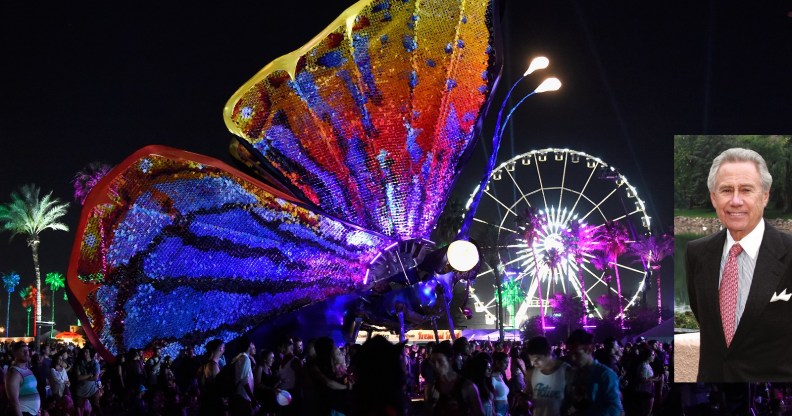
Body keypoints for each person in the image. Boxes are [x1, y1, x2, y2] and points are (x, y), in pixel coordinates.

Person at [686, 147, 792, 381]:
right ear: (714, 197)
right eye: (726, 190)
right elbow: (704, 317)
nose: (735, 201)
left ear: (765, 196)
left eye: (746, 190)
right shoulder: (696, 253)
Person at [565, 329, 622, 416]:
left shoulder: (605, 374)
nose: (572, 358)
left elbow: (614, 409)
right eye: (570, 353)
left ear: (589, 349)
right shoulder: (573, 373)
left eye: (576, 354)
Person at [525, 336, 572, 416]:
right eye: (531, 360)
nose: (533, 363)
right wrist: (526, 400)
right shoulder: (531, 373)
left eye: (537, 359)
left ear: (548, 353)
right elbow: (529, 395)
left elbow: (573, 400)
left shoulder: (566, 371)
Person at [5, 341, 40, 416]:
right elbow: (13, 401)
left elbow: (33, 390)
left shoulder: (28, 370)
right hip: (24, 412)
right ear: (15, 353)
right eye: (22, 351)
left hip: (33, 412)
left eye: (27, 350)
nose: (26, 353)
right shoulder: (14, 373)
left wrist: (38, 410)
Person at [231, 337, 259, 415]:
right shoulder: (245, 358)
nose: (255, 347)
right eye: (253, 344)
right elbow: (244, 380)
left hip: (239, 396)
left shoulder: (238, 357)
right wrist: (252, 398)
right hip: (243, 397)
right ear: (249, 345)